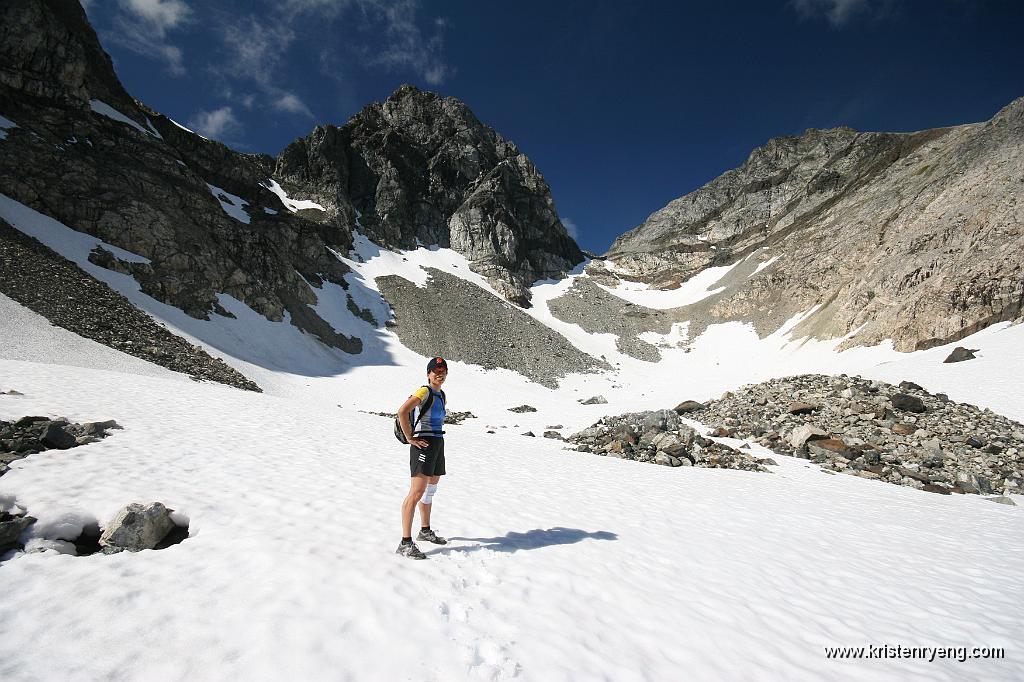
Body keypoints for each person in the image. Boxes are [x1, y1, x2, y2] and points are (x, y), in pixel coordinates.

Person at [396, 356, 450, 559]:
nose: (440, 373)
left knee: (431, 488)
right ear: (428, 374)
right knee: (417, 491)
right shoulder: (424, 391)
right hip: (423, 444)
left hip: (437, 443)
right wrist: (410, 438)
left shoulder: (441, 394)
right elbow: (403, 411)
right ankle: (405, 543)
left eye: (443, 370)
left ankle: (425, 530)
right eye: (436, 370)